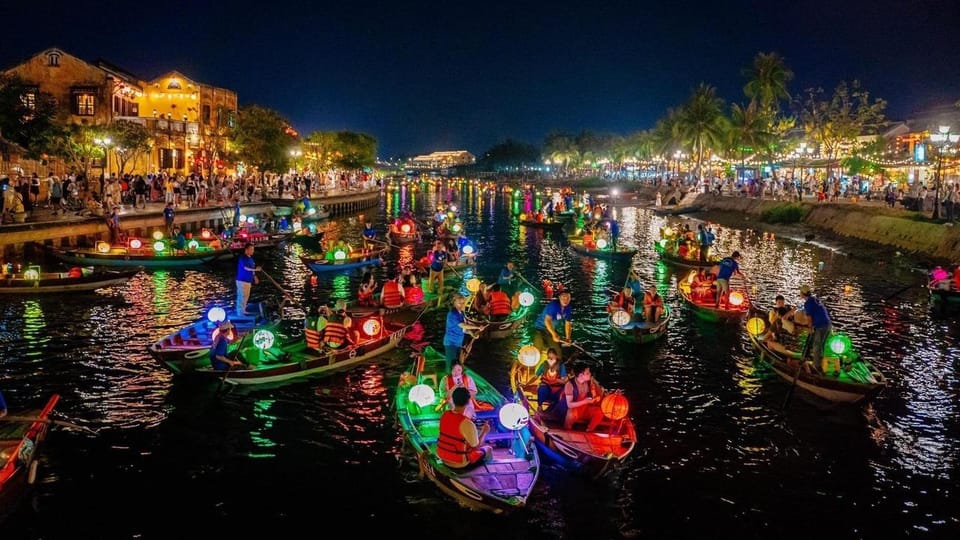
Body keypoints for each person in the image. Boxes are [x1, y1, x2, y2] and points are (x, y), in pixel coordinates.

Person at [436, 387, 493, 470]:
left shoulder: (444, 415)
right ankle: (484, 475)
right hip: (460, 463)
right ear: (468, 402)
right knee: (488, 449)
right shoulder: (467, 423)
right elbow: (476, 446)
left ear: (453, 400)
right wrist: (484, 431)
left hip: (443, 458)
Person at [556, 363, 605, 432]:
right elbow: (569, 405)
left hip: (584, 409)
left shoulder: (588, 383)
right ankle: (566, 430)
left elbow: (595, 394)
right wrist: (585, 401)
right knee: (571, 414)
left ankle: (589, 430)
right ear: (581, 375)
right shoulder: (570, 385)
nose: (590, 374)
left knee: (599, 412)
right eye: (587, 373)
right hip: (574, 410)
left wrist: (596, 398)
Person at [442, 294, 484, 372]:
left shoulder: (461, 313)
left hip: (458, 342)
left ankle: (456, 377)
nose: (462, 305)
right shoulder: (452, 314)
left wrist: (471, 333)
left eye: (463, 303)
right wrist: (477, 327)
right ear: (454, 303)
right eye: (459, 303)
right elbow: (462, 325)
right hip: (451, 342)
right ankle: (448, 378)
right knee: (451, 363)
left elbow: (464, 329)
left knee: (457, 362)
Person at [799, 284, 832, 371]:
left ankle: (816, 367)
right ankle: (820, 363)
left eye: (800, 292)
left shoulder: (808, 303)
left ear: (803, 293)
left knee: (816, 346)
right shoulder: (815, 299)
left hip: (820, 326)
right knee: (822, 345)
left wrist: (810, 329)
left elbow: (809, 319)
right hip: (828, 324)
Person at [533, 289, 573, 357]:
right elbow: (547, 321)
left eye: (568, 297)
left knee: (556, 352)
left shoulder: (568, 308)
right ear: (559, 297)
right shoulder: (553, 305)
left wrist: (568, 338)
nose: (565, 299)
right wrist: (554, 334)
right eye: (563, 297)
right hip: (540, 328)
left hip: (551, 330)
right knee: (538, 348)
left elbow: (568, 324)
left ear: (570, 298)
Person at [535, 347, 568, 414]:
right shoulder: (544, 365)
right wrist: (526, 384)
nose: (551, 360)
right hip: (546, 385)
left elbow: (564, 380)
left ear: (556, 356)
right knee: (541, 389)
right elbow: (536, 376)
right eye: (549, 358)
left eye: (552, 358)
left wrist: (556, 380)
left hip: (557, 387)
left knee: (562, 394)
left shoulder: (561, 366)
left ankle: (554, 409)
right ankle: (540, 407)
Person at [235, 242, 261, 316]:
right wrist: (256, 270)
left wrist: (255, 277)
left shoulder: (251, 259)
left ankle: (243, 310)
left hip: (248, 281)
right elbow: (245, 268)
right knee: (241, 296)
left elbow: (252, 269)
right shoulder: (243, 258)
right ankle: (239, 312)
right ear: (246, 250)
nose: (252, 251)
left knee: (246, 296)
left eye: (253, 249)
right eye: (251, 249)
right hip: (242, 280)